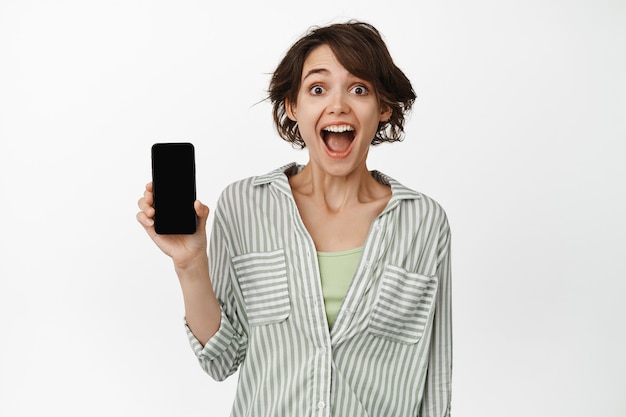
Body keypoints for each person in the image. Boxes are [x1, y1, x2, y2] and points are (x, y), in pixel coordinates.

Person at [137, 20, 452, 417]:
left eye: (359, 89)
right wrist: (189, 263)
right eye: (317, 89)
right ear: (293, 106)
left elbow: (435, 378)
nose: (337, 105)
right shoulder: (244, 205)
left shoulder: (424, 222)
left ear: (384, 107)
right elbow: (220, 360)